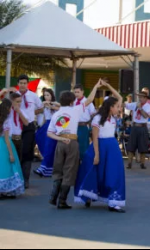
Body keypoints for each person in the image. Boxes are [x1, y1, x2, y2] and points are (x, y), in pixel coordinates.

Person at [47, 81, 101, 210]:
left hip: (60, 143)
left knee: (58, 169)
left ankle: (53, 196)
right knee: (69, 170)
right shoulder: (76, 110)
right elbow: (89, 99)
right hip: (72, 142)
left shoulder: (56, 114)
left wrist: (60, 137)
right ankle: (62, 201)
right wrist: (95, 86)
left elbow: (49, 133)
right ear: (72, 102)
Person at [75, 82, 126, 213]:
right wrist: (97, 154)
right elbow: (95, 137)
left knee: (114, 173)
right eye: (116, 107)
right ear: (110, 107)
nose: (118, 108)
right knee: (94, 171)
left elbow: (119, 97)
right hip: (100, 147)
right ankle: (88, 196)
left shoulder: (113, 116)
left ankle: (113, 201)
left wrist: (108, 85)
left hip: (112, 148)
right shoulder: (97, 118)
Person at [17, 75, 44, 189]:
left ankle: (25, 179)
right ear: (18, 84)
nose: (23, 85)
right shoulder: (14, 95)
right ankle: (16, 178)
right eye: (21, 83)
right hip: (16, 126)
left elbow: (41, 108)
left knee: (27, 152)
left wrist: (33, 113)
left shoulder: (33, 96)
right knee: (17, 152)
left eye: (24, 83)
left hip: (29, 126)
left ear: (27, 84)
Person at [0, 99, 25, 198]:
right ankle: (6, 190)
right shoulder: (6, 121)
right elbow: (6, 139)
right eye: (11, 107)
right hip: (4, 145)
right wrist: (11, 153)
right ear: (8, 108)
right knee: (8, 166)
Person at [34, 89, 59, 177]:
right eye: (45, 95)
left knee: (50, 147)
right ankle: (48, 169)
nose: (46, 97)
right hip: (46, 126)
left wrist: (51, 106)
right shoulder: (44, 105)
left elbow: (61, 108)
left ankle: (43, 168)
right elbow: (44, 117)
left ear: (52, 95)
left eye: (48, 95)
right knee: (43, 143)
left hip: (54, 127)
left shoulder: (55, 103)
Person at [126, 92, 150, 170]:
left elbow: (145, 116)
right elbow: (126, 106)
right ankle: (129, 163)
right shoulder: (135, 104)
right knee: (131, 145)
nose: (140, 98)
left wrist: (140, 108)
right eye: (139, 97)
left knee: (143, 146)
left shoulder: (148, 106)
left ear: (145, 98)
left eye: (141, 97)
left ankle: (142, 163)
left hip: (142, 127)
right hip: (135, 126)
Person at [73, 84, 97, 160]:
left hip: (83, 126)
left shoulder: (88, 102)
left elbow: (93, 114)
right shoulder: (73, 102)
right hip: (74, 126)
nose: (76, 94)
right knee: (74, 148)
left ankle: (84, 164)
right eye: (75, 92)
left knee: (83, 148)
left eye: (78, 92)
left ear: (82, 92)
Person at [9, 93, 29, 164]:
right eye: (17, 102)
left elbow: (26, 123)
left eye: (20, 101)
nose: (19, 104)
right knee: (10, 160)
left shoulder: (22, 111)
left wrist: (19, 112)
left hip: (19, 139)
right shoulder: (8, 111)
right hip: (10, 139)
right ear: (11, 101)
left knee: (18, 160)